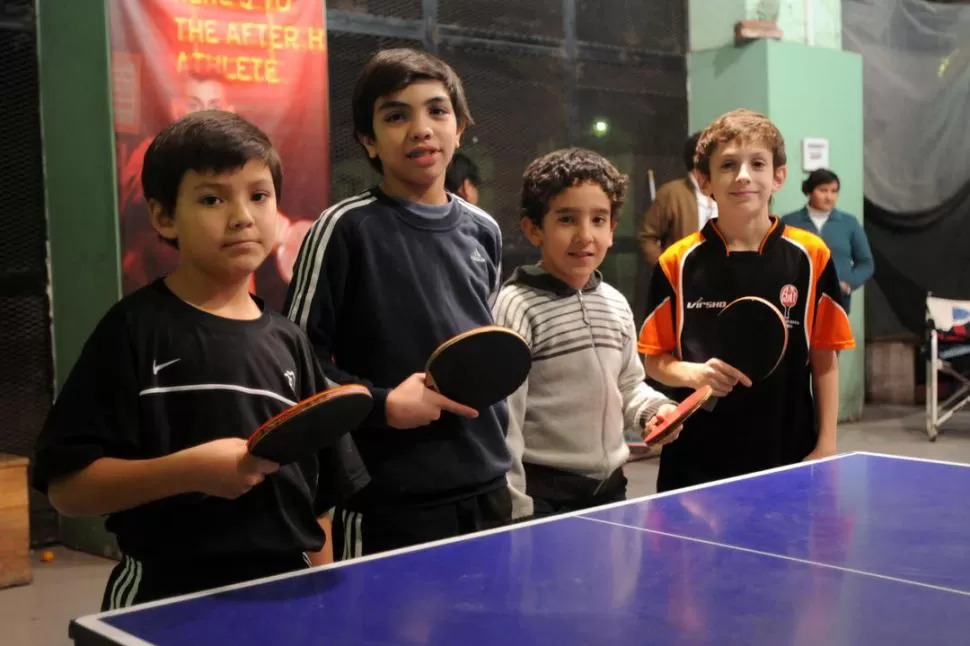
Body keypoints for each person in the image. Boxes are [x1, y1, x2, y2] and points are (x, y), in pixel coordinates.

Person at [31, 110, 369, 610]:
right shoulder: (132, 330)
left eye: (259, 195)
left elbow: (317, 506)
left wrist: (325, 605)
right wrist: (187, 471)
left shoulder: (290, 341)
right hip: (164, 595)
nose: (242, 216)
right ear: (165, 217)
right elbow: (68, 490)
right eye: (212, 198)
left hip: (287, 592)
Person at [283, 48, 513, 559]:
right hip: (387, 502)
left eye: (437, 110)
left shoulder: (484, 231)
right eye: (395, 116)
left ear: (460, 126)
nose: (421, 128)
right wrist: (383, 405)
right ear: (368, 140)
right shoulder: (343, 229)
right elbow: (291, 365)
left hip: (487, 488)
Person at [637, 109, 855, 493]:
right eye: (728, 165)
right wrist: (695, 374)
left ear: (778, 177)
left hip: (787, 451)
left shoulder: (811, 255)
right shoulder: (676, 262)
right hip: (695, 460)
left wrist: (827, 444)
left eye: (757, 163)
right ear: (705, 182)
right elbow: (655, 361)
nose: (743, 175)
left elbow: (824, 358)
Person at [494, 148, 680, 519]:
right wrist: (516, 511)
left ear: (612, 231)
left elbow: (628, 384)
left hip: (611, 489)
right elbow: (504, 422)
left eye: (598, 220)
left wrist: (653, 411)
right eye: (566, 219)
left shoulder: (614, 303)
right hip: (544, 498)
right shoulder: (515, 307)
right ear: (534, 229)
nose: (585, 235)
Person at [781, 168, 874, 314]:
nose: (829, 197)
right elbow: (779, 260)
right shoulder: (789, 222)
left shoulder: (849, 223)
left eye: (834, 191)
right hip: (799, 301)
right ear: (810, 191)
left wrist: (848, 285)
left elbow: (866, 263)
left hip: (837, 302)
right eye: (823, 190)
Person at [637, 131, 718, 269]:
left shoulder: (725, 191)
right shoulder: (671, 193)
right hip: (684, 280)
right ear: (697, 158)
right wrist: (666, 269)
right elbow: (647, 237)